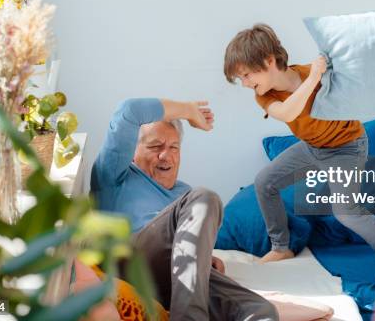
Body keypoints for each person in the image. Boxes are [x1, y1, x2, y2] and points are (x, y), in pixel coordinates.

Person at [223, 23, 375, 284]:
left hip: (347, 147)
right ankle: (281, 247)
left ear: (269, 61)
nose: (245, 84)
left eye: (246, 75)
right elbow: (288, 112)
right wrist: (313, 77)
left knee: (346, 211)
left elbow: (355, 83)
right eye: (241, 79)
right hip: (314, 147)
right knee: (265, 182)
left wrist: (327, 70)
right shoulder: (265, 94)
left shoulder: (315, 75)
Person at [91, 98, 278, 320]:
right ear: (132, 151)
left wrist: (205, 258)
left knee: (262, 312)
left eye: (173, 147)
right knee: (204, 198)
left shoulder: (184, 194)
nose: (165, 155)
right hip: (130, 258)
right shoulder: (114, 176)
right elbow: (129, 110)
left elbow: (191, 250)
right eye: (154, 146)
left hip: (175, 280)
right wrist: (189, 111)